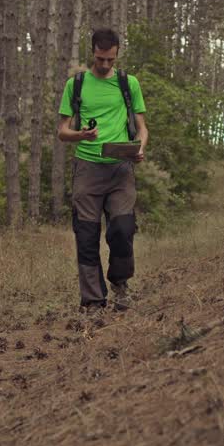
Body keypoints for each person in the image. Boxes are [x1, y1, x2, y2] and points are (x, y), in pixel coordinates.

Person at [57, 28, 149, 311]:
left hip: (121, 170)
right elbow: (62, 131)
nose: (105, 64)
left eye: (110, 59)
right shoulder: (77, 84)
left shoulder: (127, 83)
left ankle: (120, 287)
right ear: (93, 52)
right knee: (86, 236)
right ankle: (93, 301)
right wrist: (80, 135)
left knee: (122, 229)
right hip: (87, 169)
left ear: (117, 53)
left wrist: (140, 148)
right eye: (100, 59)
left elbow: (143, 129)